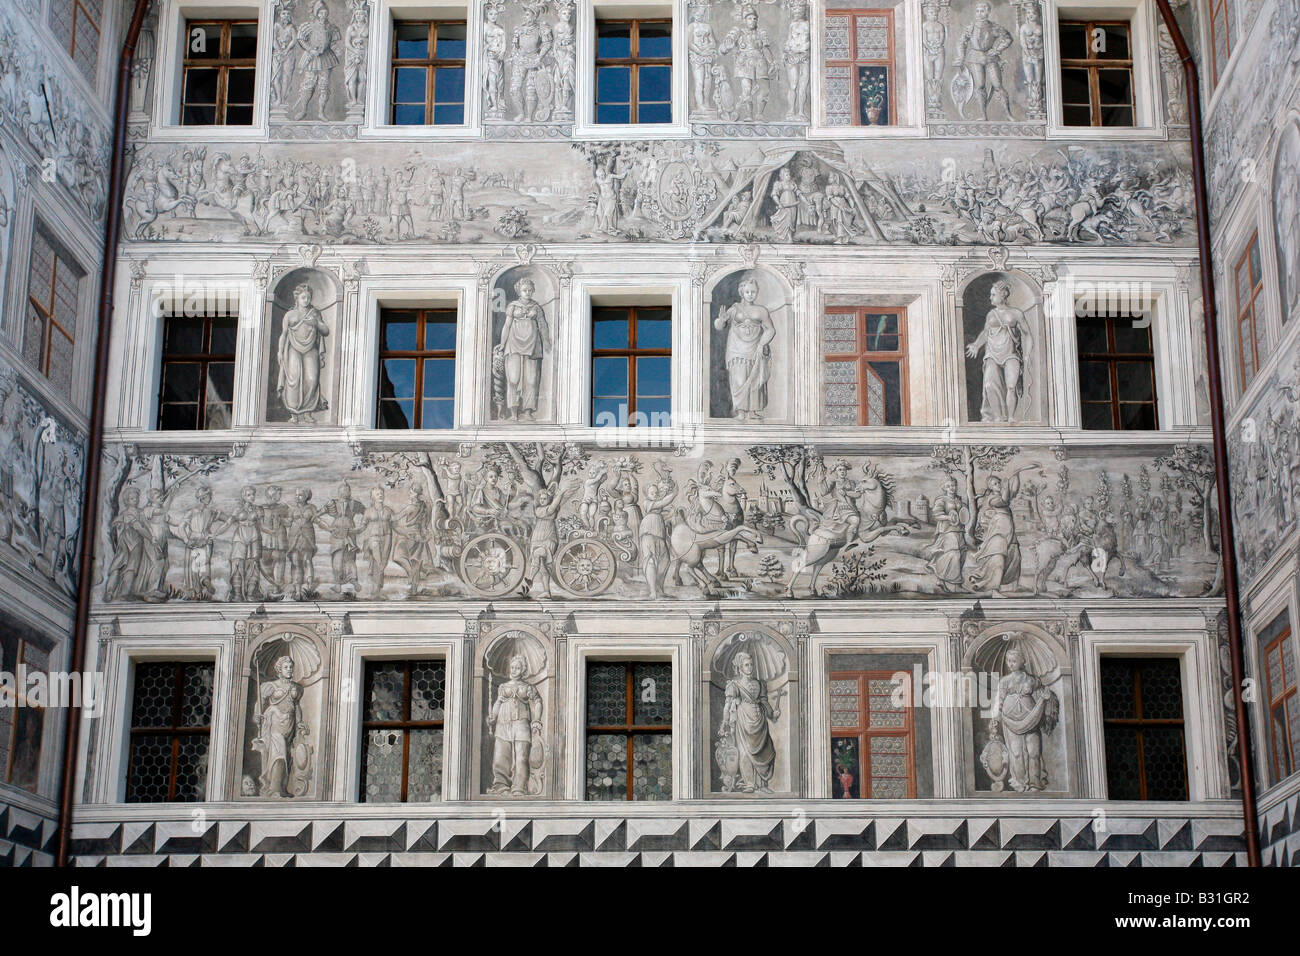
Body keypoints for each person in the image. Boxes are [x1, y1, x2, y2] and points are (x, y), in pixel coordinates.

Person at [989, 644, 1058, 792]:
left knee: (1034, 751)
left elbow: (1044, 695)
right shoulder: (1005, 681)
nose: (1011, 664)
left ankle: (1035, 782)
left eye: (1014, 660)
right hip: (1010, 720)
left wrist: (1046, 708)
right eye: (1009, 661)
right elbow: (998, 701)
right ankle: (1020, 784)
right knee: (1016, 752)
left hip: (1032, 718)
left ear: (1023, 661)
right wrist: (995, 718)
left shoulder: (1033, 680)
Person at [966, 279, 1032, 422]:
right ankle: (998, 417)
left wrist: (1027, 354)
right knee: (989, 385)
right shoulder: (991, 314)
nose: (990, 298)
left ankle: (1011, 417)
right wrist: (976, 345)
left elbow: (1027, 334)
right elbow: (985, 332)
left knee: (1011, 386)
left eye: (993, 294)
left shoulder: (1016, 313)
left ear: (1003, 295)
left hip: (1011, 354)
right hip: (992, 353)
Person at [715, 274, 776, 420]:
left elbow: (770, 329)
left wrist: (762, 343)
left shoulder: (762, 311)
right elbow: (719, 326)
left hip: (755, 347)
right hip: (737, 349)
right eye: (748, 292)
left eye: (753, 292)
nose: (750, 295)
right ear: (742, 292)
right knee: (739, 379)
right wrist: (720, 320)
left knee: (755, 378)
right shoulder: (734, 309)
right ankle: (740, 411)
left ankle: (752, 411)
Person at [717, 650, 779, 792]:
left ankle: (763, 784)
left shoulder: (759, 683)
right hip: (744, 721)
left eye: (751, 664)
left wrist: (772, 714)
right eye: (746, 665)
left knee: (767, 752)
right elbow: (727, 705)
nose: (750, 667)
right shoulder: (734, 685)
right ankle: (750, 783)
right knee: (745, 752)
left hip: (760, 722)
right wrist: (724, 722)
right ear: (740, 667)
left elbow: (764, 701)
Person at [487, 654, 543, 795]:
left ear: (523, 670)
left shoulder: (528, 687)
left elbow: (537, 702)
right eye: (512, 667)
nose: (514, 670)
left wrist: (536, 720)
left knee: (521, 757)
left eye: (517, 667)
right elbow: (498, 702)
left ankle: (519, 787)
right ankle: (501, 786)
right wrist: (493, 717)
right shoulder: (503, 686)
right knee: (501, 755)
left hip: (521, 724)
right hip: (503, 724)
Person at [252, 655, 308, 797]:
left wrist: (300, 722)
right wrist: (257, 715)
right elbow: (260, 702)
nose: (289, 670)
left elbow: (296, 706)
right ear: (279, 670)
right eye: (286, 667)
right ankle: (274, 788)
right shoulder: (271, 686)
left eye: (290, 667)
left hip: (290, 724)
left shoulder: (296, 688)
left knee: (288, 756)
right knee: (279, 753)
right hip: (275, 721)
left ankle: (282, 788)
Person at [276, 283, 330, 422]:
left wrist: (316, 323)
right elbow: (283, 334)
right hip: (293, 349)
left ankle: (307, 413)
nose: (306, 300)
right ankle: (294, 414)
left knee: (311, 379)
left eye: (308, 297)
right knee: (294, 378)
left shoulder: (315, 313)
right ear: (297, 298)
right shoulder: (290, 315)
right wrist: (280, 351)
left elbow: (326, 331)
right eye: (303, 297)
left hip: (311, 349)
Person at [498, 277, 549, 419]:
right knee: (513, 379)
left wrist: (547, 342)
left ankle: (527, 411)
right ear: (519, 291)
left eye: (530, 290)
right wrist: (502, 344)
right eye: (524, 290)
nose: (527, 292)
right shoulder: (513, 306)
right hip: (513, 344)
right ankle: (513, 412)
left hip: (533, 345)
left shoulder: (537, 308)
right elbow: (507, 325)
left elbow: (543, 325)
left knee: (531, 380)